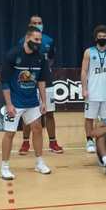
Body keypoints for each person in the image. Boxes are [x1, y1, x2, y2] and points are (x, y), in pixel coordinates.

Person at [0, 25, 52, 179]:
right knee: (10, 133)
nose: (38, 43)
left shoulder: (40, 57)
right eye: (36, 39)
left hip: (32, 102)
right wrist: (9, 104)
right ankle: (4, 167)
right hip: (15, 102)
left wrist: (43, 101)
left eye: (40, 40)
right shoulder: (13, 55)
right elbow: (4, 81)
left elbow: (41, 81)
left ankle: (39, 163)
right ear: (27, 38)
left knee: (37, 129)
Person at [18, 16, 64, 155]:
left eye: (39, 23)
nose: (37, 25)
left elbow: (51, 59)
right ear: (29, 25)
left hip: (47, 82)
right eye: (34, 23)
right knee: (27, 114)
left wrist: (43, 70)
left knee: (49, 113)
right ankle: (25, 142)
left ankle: (53, 142)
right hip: (29, 83)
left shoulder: (49, 41)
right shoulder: (22, 41)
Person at [81, 25, 106, 153]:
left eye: (104, 36)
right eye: (100, 36)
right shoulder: (89, 52)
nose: (102, 38)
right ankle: (89, 140)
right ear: (96, 38)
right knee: (89, 117)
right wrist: (84, 88)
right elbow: (84, 71)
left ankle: (105, 139)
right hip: (92, 91)